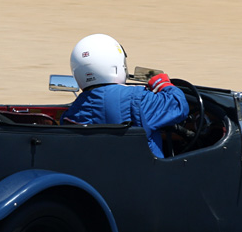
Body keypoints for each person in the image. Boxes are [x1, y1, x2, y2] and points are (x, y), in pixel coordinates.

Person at [60, 34, 188, 157]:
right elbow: (178, 106)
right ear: (116, 65)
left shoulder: (72, 113)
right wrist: (163, 84)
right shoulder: (137, 99)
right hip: (144, 174)